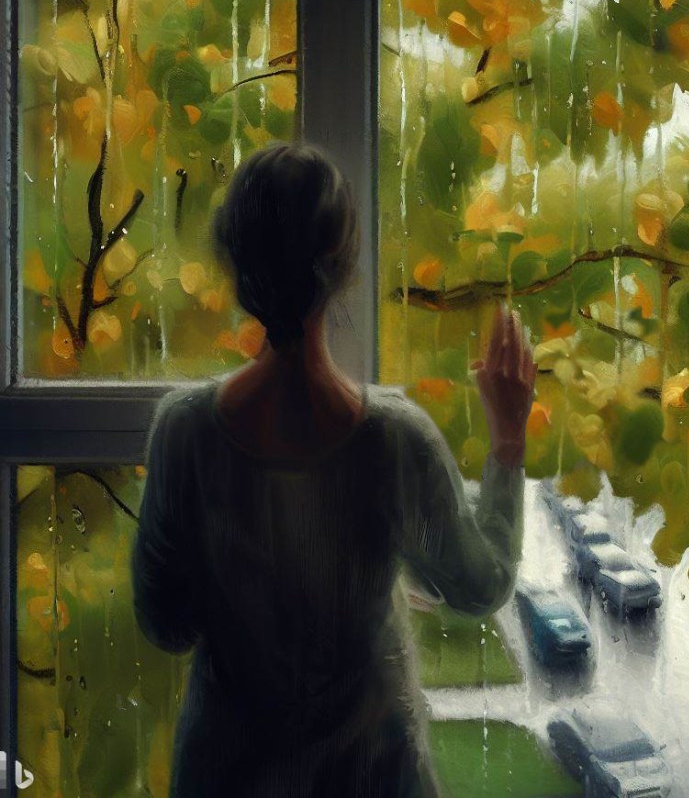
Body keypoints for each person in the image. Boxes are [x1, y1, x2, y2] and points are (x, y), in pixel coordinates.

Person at [131, 142, 536, 798]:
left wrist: (257, 589)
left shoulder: (184, 431)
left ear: (236, 264)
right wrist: (509, 440)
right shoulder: (396, 440)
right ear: (344, 268)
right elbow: (481, 585)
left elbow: (165, 623)